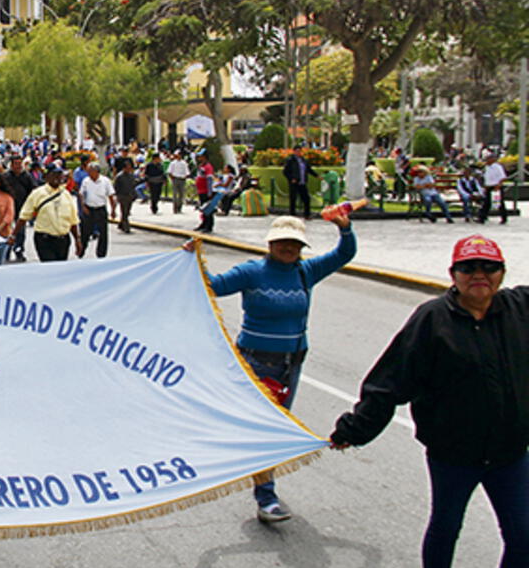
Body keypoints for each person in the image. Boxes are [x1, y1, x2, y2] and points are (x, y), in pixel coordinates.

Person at [329, 235, 528, 567]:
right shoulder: (432, 320)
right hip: (454, 455)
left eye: (489, 267)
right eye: (468, 267)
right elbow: (388, 383)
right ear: (453, 275)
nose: (479, 274)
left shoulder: (520, 309)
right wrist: (353, 430)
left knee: (522, 536)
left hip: (510, 453)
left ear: (503, 273)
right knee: (446, 528)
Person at [185, 212, 355, 522]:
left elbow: (345, 254)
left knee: (274, 427)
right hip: (255, 363)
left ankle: (258, 475)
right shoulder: (252, 272)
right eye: (281, 241)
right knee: (267, 430)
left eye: (294, 242)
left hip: (291, 366)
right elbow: (212, 286)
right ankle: (267, 499)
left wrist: (345, 229)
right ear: (270, 242)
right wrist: (191, 260)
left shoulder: (307, 271)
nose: (287, 248)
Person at [8, 163, 81, 262]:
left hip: (63, 240)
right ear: (46, 176)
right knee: (50, 267)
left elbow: (73, 220)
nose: (58, 177)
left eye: (60, 174)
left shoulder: (66, 195)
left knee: (61, 269)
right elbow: (24, 216)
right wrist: (13, 235)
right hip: (45, 239)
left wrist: (77, 240)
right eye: (54, 174)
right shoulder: (37, 194)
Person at [77, 161, 115, 258]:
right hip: (89, 209)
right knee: (85, 232)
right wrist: (83, 206)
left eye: (90, 171)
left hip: (100, 208)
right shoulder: (86, 181)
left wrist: (113, 210)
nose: (89, 173)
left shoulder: (105, 181)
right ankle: (81, 251)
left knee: (103, 233)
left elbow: (111, 196)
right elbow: (81, 194)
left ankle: (101, 254)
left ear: (96, 172)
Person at [2, 154, 35, 261]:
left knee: (20, 231)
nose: (18, 166)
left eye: (19, 163)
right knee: (7, 230)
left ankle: (19, 250)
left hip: (22, 208)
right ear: (11, 165)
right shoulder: (6, 176)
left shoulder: (26, 176)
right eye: (15, 164)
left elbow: (32, 190)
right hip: (8, 208)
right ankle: (6, 251)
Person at [283, 145, 318, 219]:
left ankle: (307, 214)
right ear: (294, 151)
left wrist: (317, 175)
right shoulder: (290, 160)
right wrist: (291, 178)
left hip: (302, 182)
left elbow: (308, 169)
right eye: (297, 151)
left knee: (306, 198)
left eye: (299, 151)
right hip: (294, 182)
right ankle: (292, 214)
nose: (298, 153)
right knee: (293, 198)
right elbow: (285, 171)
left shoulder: (303, 160)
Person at [478, 153, 507, 225]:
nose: (487, 161)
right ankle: (482, 217)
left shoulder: (497, 167)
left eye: (488, 159)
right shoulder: (487, 167)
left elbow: (503, 177)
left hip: (496, 186)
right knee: (486, 203)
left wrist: (498, 185)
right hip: (488, 186)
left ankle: (504, 218)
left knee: (500, 203)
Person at [112, 158, 138, 233]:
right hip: (122, 196)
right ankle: (126, 227)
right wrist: (117, 196)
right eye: (127, 168)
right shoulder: (119, 177)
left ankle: (121, 223)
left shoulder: (131, 176)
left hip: (130, 195)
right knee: (124, 211)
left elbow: (133, 184)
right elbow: (115, 187)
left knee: (127, 211)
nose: (129, 169)